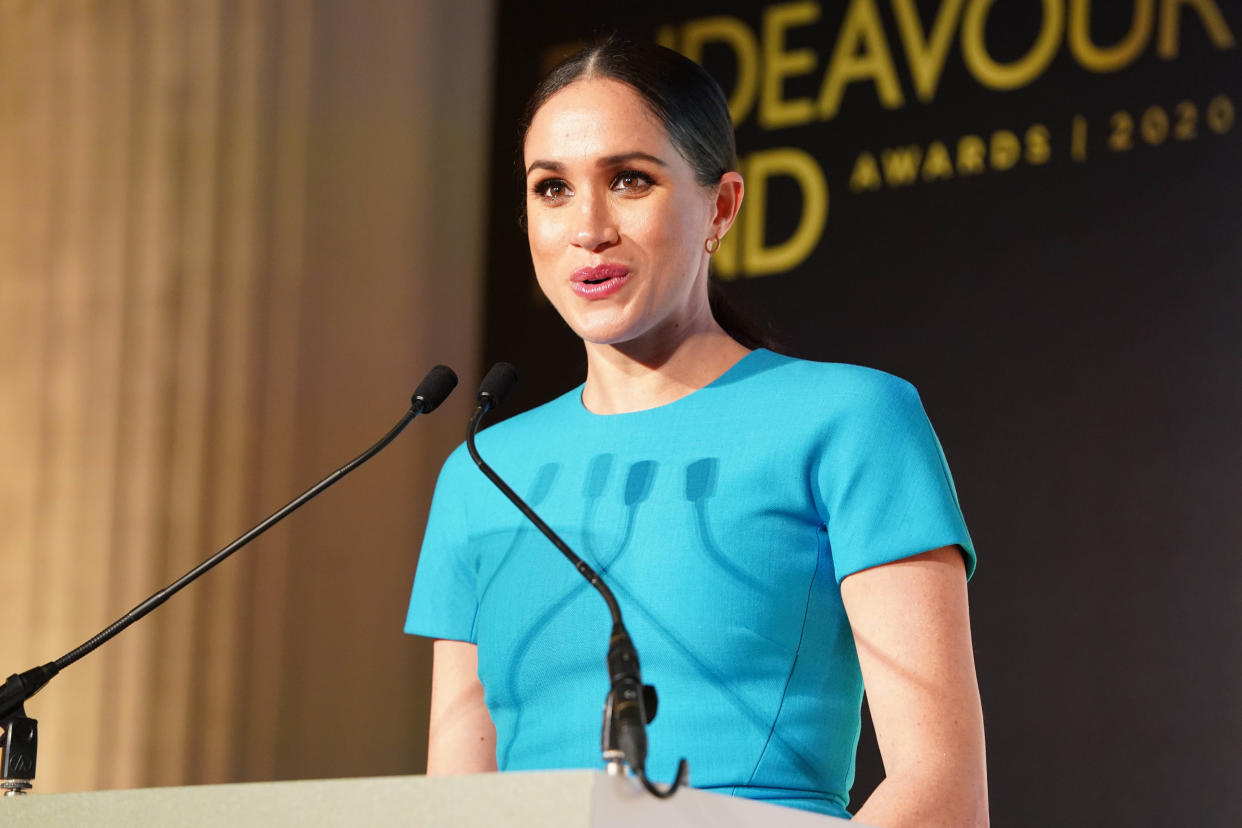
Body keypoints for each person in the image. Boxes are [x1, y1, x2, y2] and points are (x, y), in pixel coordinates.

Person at [405, 38, 987, 826]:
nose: (589, 227)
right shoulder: (480, 470)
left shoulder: (851, 420)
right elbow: (454, 806)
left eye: (630, 180)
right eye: (552, 189)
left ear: (721, 206)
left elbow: (941, 791)